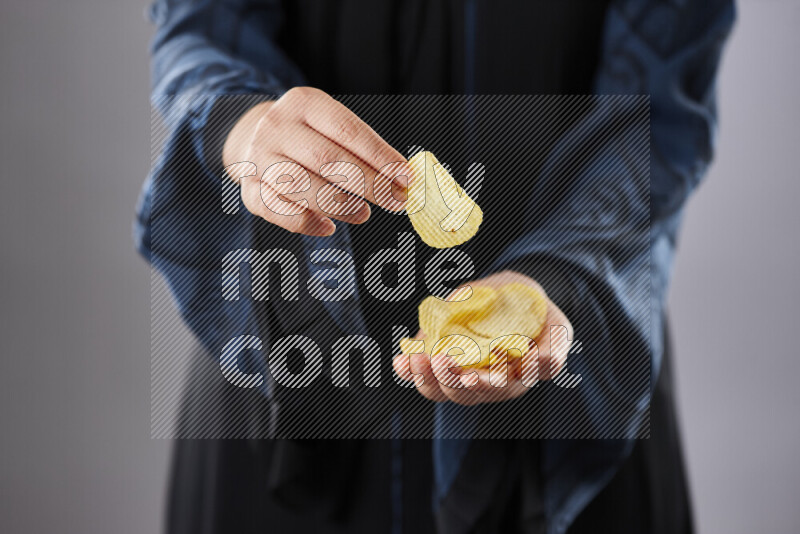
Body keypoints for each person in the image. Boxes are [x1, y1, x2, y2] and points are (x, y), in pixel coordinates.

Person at [136, 1, 735, 532]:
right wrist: (244, 126)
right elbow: (202, 26)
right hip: (279, 369)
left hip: (569, 383)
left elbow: (656, 115)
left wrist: (552, 278)